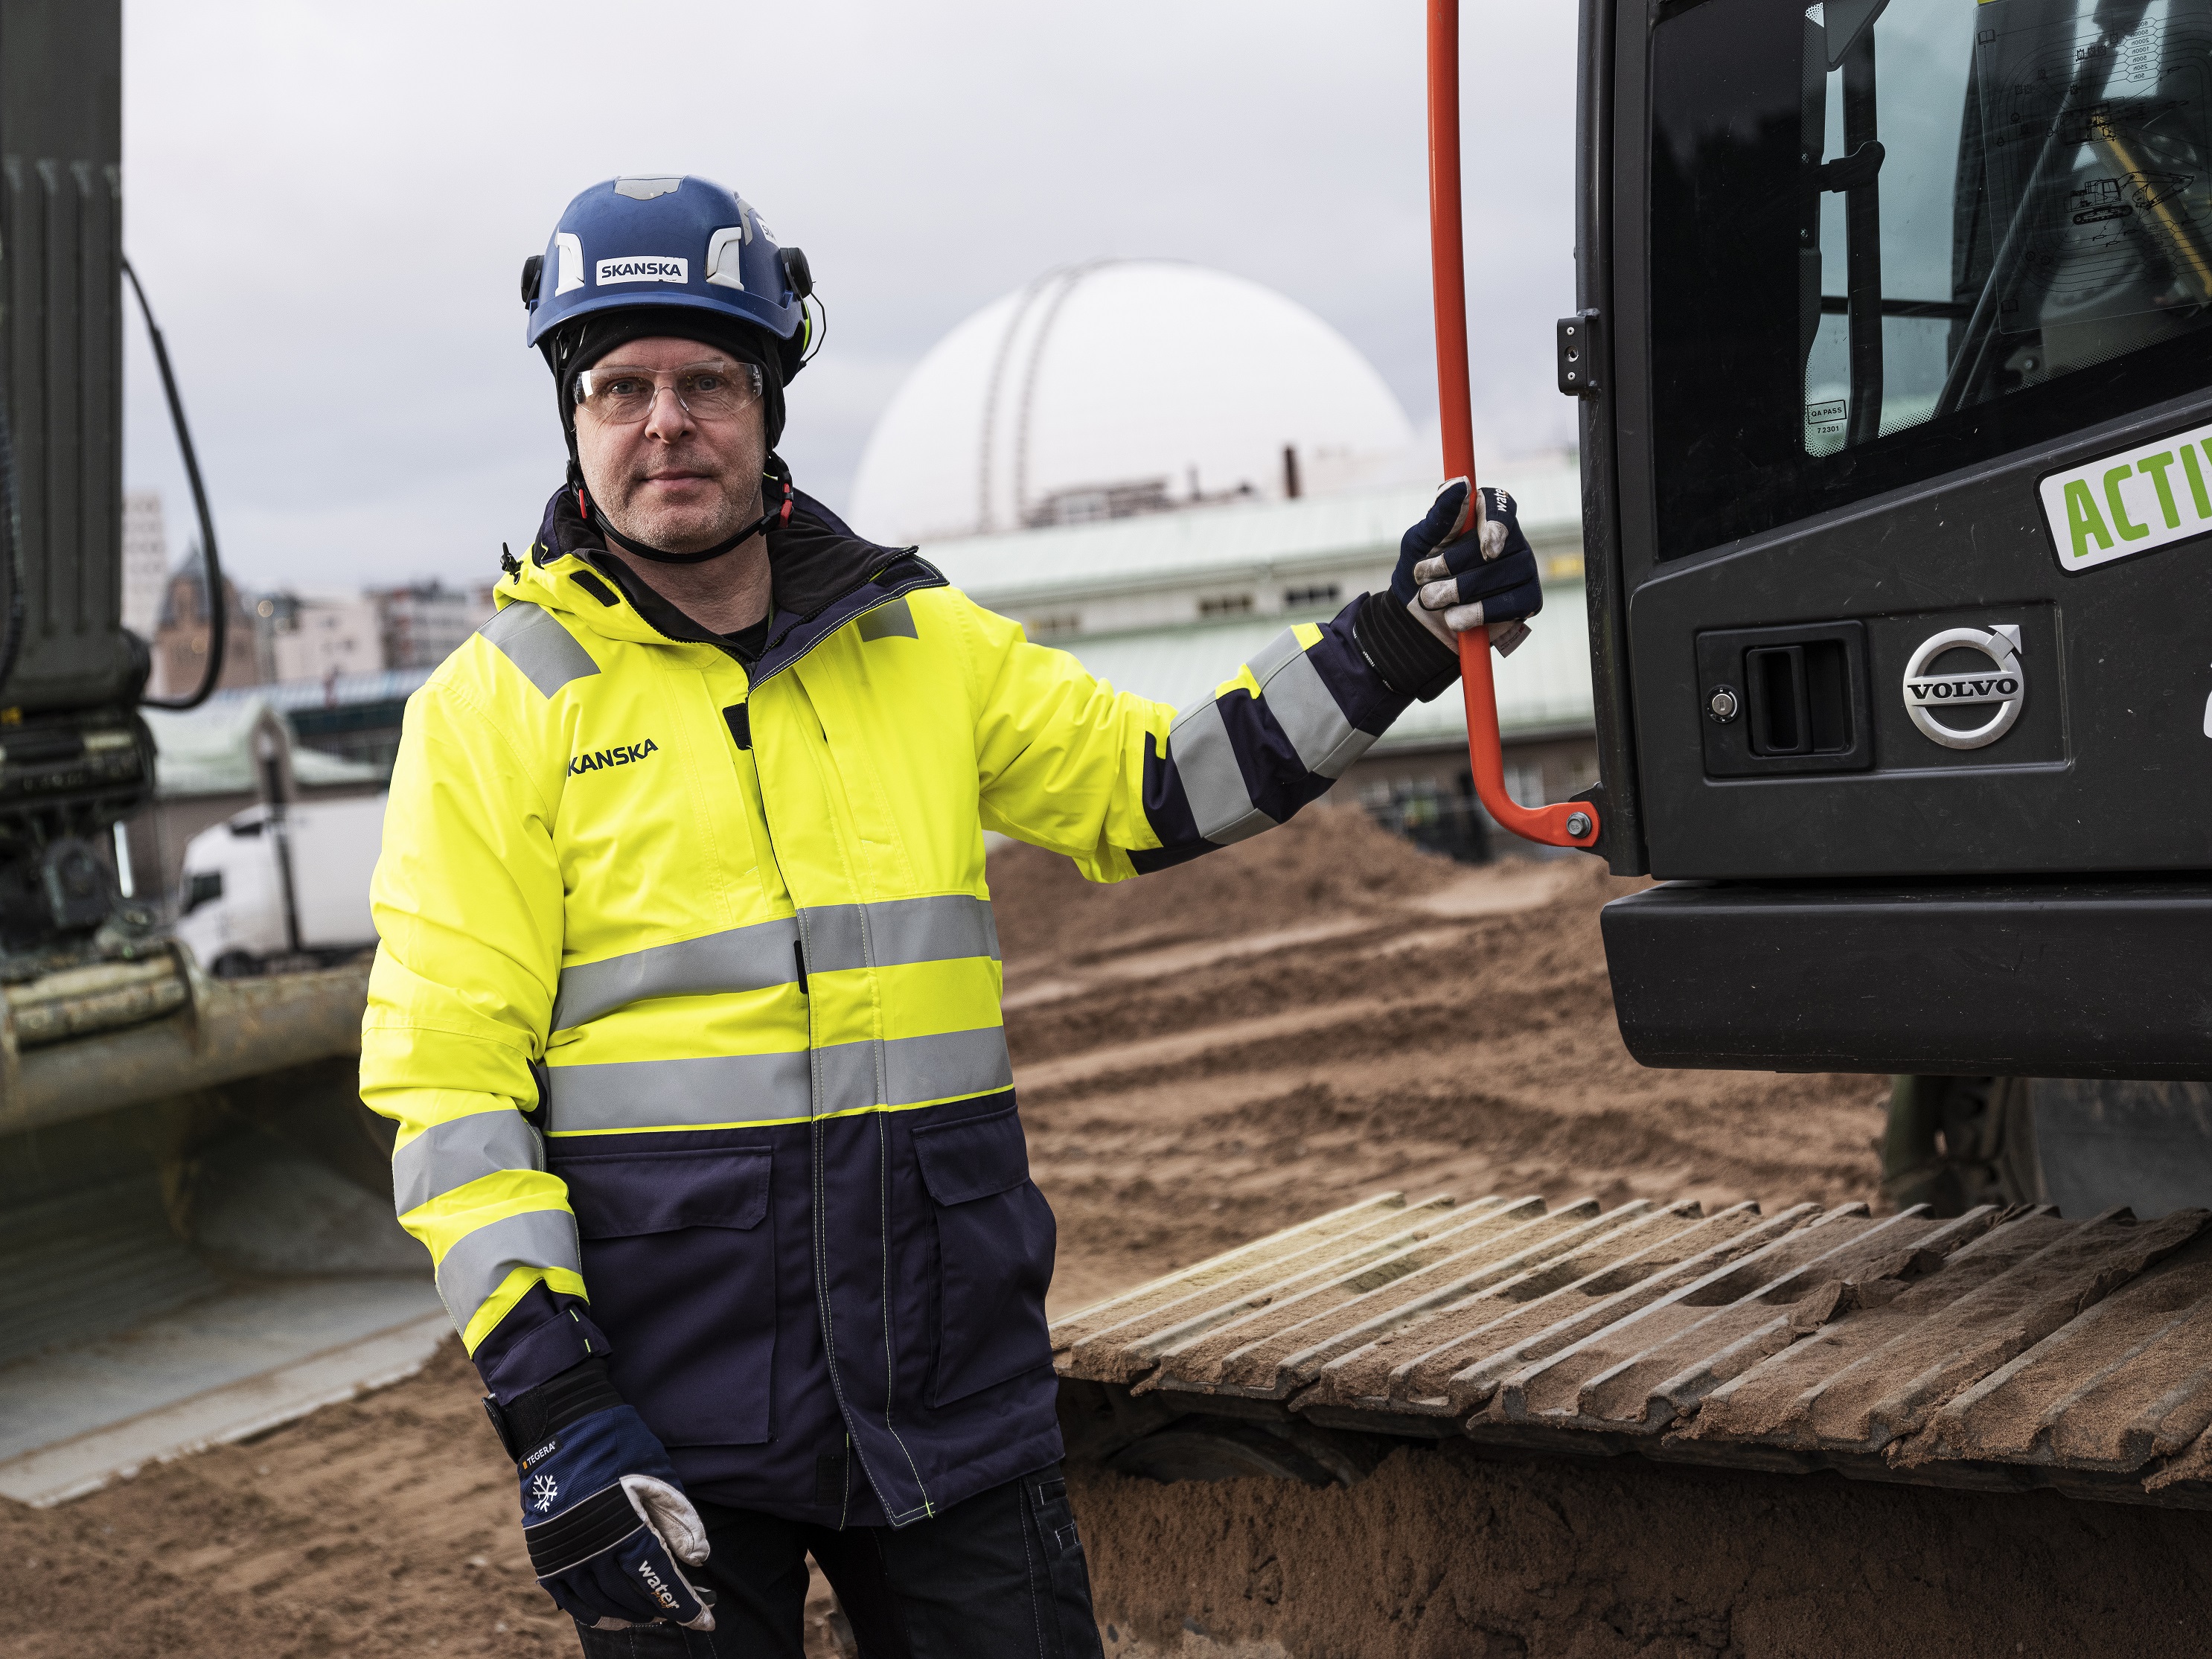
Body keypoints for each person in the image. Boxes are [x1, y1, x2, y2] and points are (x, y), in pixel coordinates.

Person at [361, 173, 1542, 1658]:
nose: (664, 420)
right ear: (573, 414)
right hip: (666, 1422)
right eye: (620, 385)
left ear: (771, 396)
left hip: (943, 1393)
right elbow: (450, 1090)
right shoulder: (490, 712)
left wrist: (1396, 638)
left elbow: (1155, 784)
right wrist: (554, 1406)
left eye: (707, 380)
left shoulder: (920, 646)